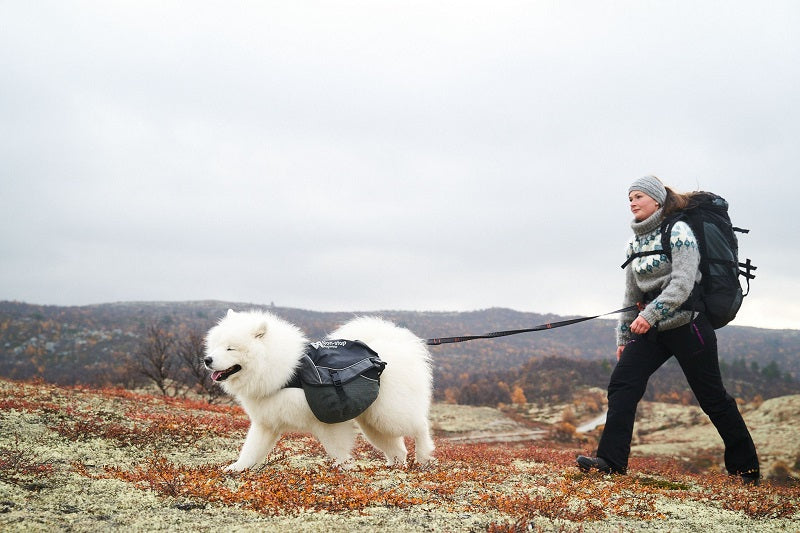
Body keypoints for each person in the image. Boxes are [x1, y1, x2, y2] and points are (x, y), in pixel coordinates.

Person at [576, 175, 760, 484]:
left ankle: (746, 472)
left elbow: (683, 283)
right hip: (652, 329)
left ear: (658, 200)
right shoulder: (634, 242)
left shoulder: (679, 231)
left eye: (638, 197)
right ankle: (610, 461)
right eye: (630, 198)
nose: (632, 202)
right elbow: (630, 295)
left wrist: (649, 316)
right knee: (622, 385)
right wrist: (624, 336)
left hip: (688, 325)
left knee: (713, 399)